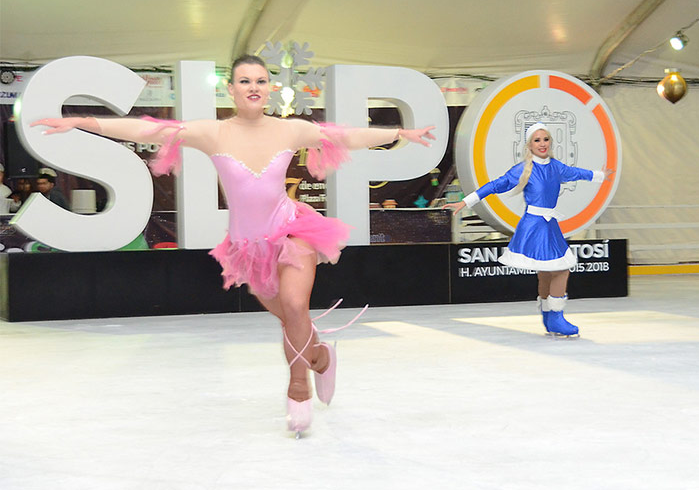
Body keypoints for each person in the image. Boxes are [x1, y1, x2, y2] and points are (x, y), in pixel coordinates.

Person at [33, 54, 436, 437]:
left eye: (260, 81)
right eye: (245, 81)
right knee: (291, 320)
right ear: (231, 89)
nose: (253, 87)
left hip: (291, 229)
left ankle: (299, 387)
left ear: (270, 88)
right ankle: (321, 358)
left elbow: (345, 135)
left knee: (296, 306)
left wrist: (399, 133)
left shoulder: (288, 129)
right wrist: (83, 121)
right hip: (249, 247)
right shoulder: (214, 132)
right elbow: (147, 128)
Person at [444, 122, 613, 337]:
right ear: (529, 145)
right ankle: (556, 317)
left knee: (546, 271)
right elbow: (496, 185)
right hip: (535, 224)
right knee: (562, 268)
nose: (542, 144)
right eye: (537, 140)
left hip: (549, 224)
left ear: (550, 141)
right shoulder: (524, 169)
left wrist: (598, 175)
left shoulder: (555, 166)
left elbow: (575, 173)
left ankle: (548, 317)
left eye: (545, 139)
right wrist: (465, 202)